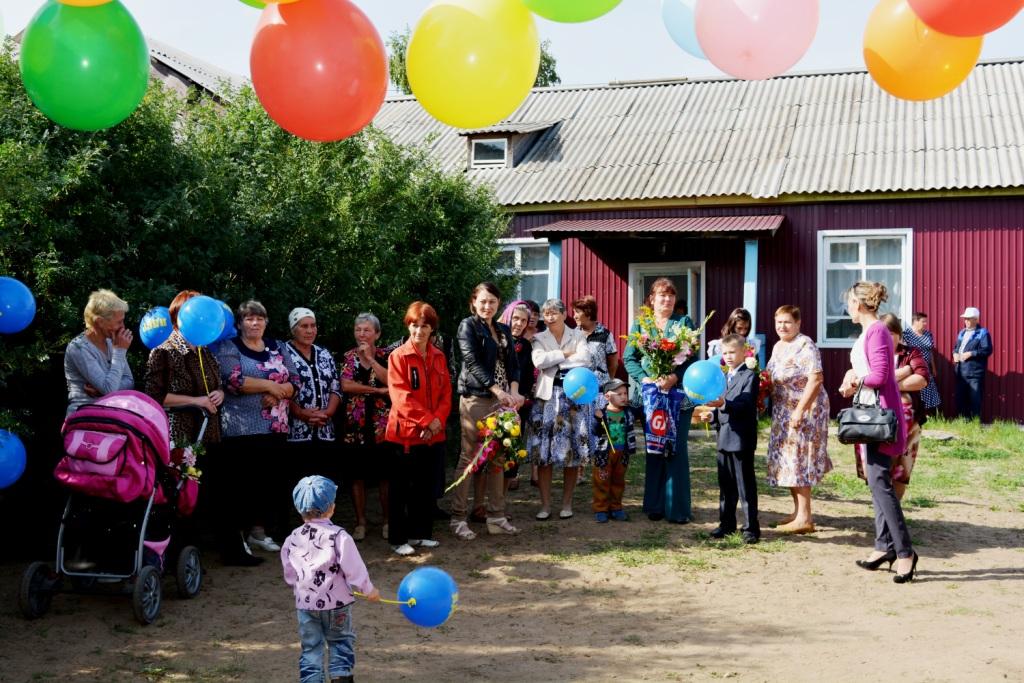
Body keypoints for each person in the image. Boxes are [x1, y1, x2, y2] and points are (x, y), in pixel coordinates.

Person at [839, 282, 917, 584]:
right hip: (872, 415)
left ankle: (905, 552)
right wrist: (854, 378)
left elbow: (881, 376)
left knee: (880, 483)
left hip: (880, 419)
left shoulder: (877, 331)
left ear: (858, 304)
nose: (847, 307)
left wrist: (855, 380)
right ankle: (884, 547)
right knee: (877, 482)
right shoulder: (870, 332)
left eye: (849, 302)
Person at [214, 300, 300, 562]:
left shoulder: (278, 346)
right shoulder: (229, 347)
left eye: (259, 318)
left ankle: (258, 533)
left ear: (266, 322)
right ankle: (238, 540)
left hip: (276, 427)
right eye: (249, 319)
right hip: (241, 429)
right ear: (240, 324)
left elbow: (295, 380)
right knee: (243, 486)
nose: (255, 323)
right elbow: (233, 381)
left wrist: (279, 393)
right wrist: (271, 386)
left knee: (267, 483)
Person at [281, 475, 379, 683]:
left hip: (306, 605)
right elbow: (354, 568)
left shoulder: (292, 538)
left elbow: (290, 572)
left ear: (299, 509)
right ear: (331, 508)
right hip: (337, 605)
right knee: (340, 642)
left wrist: (298, 588)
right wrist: (368, 589)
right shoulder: (339, 536)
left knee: (311, 648)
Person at [451, 283, 523, 540]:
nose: (487, 306)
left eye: (492, 301)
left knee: (498, 457)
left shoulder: (503, 329)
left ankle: (496, 516)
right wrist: (497, 391)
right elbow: (472, 362)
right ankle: (458, 518)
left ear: (498, 303)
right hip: (476, 398)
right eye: (482, 301)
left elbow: (513, 365)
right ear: (474, 302)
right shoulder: (468, 326)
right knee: (469, 457)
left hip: (502, 401)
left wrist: (513, 392)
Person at [623, 278, 695, 524]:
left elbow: (691, 357)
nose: (667, 299)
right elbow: (629, 358)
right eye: (662, 295)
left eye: (671, 295)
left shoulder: (683, 323)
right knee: (655, 449)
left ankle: (678, 509)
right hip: (652, 398)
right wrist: (645, 379)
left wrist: (674, 377)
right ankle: (654, 505)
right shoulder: (640, 325)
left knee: (676, 450)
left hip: (678, 398)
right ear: (652, 299)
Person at [385, 302, 452, 556]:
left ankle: (420, 534)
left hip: (433, 435)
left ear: (432, 329)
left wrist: (437, 422)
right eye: (414, 325)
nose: (419, 331)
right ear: (408, 326)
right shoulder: (398, 356)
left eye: (424, 326)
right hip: (405, 435)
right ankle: (397, 539)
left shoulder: (439, 356)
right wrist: (426, 421)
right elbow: (401, 396)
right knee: (401, 490)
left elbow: (446, 393)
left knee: (425, 488)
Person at [765, 305, 831, 534]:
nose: (782, 326)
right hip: (782, 410)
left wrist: (800, 411)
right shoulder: (778, 346)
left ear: (798, 323)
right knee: (788, 461)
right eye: (779, 322)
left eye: (787, 322)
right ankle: (797, 512)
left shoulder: (805, 344)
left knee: (799, 459)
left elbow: (816, 379)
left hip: (805, 411)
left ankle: (805, 517)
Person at [528, 298, 592, 520]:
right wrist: (565, 354)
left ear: (565, 314)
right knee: (543, 455)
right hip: (546, 400)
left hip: (573, 398)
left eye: (554, 312)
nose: (550, 317)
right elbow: (539, 361)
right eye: (546, 313)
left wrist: (554, 361)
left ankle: (567, 504)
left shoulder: (578, 335)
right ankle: (545, 505)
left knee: (571, 454)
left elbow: (585, 359)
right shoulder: (539, 338)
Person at [856, 314, 929, 501]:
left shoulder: (910, 353)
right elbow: (857, 374)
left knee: (900, 470)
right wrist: (903, 373)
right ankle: (884, 508)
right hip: (873, 419)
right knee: (875, 468)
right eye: (884, 333)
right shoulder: (871, 351)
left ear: (899, 334)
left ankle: (894, 508)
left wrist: (887, 383)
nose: (887, 337)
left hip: (907, 423)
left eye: (891, 333)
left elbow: (921, 379)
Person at [144, 290, 224, 447]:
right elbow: (153, 396)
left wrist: (220, 393)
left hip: (210, 434)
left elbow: (218, 383)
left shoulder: (204, 350)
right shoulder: (164, 351)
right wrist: (197, 401)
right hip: (181, 439)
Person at [701, 334, 760, 544]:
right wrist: (712, 416)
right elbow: (722, 407)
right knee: (725, 485)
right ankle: (726, 524)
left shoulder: (750, 376)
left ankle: (751, 528)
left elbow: (744, 404)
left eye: (732, 352)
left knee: (745, 486)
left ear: (744, 352)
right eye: (725, 353)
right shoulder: (724, 377)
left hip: (741, 439)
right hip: (724, 438)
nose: (728, 356)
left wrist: (723, 405)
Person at [338, 313, 391, 542]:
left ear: (377, 334)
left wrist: (370, 359)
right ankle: (360, 522)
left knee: (385, 475)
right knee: (356, 475)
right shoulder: (348, 357)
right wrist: (376, 391)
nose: (361, 334)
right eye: (358, 329)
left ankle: (388, 521)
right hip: (355, 425)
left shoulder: (387, 355)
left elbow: (391, 381)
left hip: (382, 425)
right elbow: (346, 385)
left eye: (367, 330)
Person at [284, 308, 341, 481]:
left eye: (313, 325)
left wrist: (327, 413)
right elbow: (279, 390)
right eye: (304, 326)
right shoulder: (282, 353)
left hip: (325, 430)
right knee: (300, 484)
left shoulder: (324, 354)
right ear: (293, 329)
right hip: (295, 432)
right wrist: (300, 413)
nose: (310, 330)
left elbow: (335, 387)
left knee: (324, 483)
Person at [64, 288, 134, 416]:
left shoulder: (112, 342)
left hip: (110, 414)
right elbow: (109, 390)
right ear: (100, 322)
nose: (123, 327)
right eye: (119, 322)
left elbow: (129, 381)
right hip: (84, 416)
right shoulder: (79, 348)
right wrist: (119, 351)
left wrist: (102, 391)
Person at [591, 379, 637, 523]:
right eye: (619, 394)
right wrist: (598, 419)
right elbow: (595, 431)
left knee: (618, 481)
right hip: (604, 454)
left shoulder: (628, 412)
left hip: (622, 453)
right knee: (602, 480)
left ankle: (616, 507)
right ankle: (601, 509)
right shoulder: (602, 413)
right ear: (607, 396)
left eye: (625, 393)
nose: (623, 397)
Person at [953, 306, 992, 420]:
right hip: (960, 372)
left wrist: (971, 353)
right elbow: (956, 348)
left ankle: (974, 423)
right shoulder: (962, 333)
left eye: (968, 319)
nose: (966, 321)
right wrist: (955, 354)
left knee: (975, 399)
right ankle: (963, 422)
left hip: (974, 373)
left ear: (976, 319)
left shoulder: (983, 333)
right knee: (961, 398)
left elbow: (987, 350)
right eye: (965, 319)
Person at [572, 295, 619, 386]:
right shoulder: (573, 334)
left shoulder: (605, 334)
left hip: (600, 387)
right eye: (574, 312)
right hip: (578, 386)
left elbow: (613, 364)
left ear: (588, 313)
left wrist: (607, 382)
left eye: (577, 312)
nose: (574, 316)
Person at [902, 312, 940, 413]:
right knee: (917, 389)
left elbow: (930, 351)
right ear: (915, 321)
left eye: (926, 321)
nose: (925, 324)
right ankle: (915, 412)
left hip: (926, 368)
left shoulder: (928, 334)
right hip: (913, 369)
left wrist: (933, 367)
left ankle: (927, 414)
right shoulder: (906, 334)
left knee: (928, 390)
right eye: (923, 321)